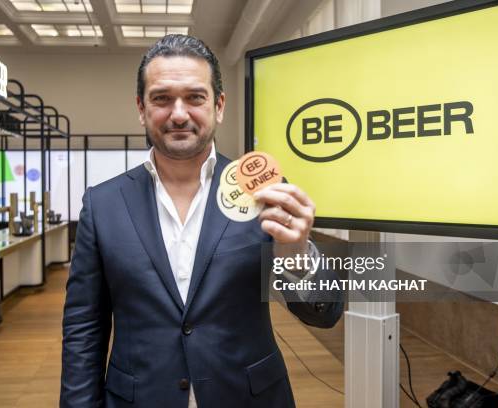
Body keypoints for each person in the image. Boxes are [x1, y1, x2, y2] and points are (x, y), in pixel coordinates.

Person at [61, 35, 344, 408]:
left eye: (195, 97)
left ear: (219, 105)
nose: (179, 114)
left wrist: (297, 255)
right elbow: (84, 328)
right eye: (162, 98)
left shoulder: (263, 190)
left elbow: (324, 314)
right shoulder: (103, 204)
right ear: (141, 108)